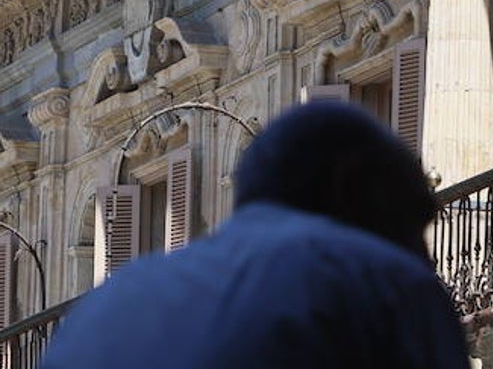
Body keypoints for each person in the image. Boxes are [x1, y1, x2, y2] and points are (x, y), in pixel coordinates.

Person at [41, 102, 470, 369]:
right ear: (350, 187)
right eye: (415, 221)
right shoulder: (378, 280)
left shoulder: (110, 300)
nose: (426, 257)